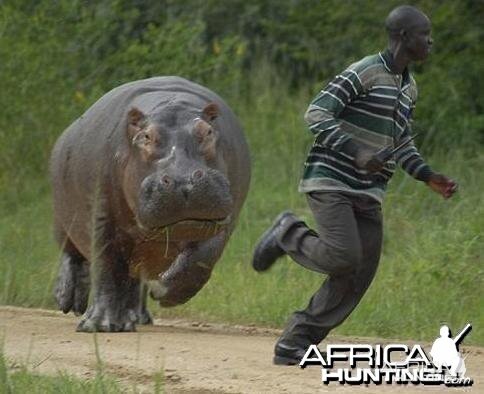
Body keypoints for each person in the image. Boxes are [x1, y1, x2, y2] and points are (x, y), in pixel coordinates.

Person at [252, 5, 458, 365]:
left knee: (359, 271)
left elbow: (400, 142)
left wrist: (427, 176)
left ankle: (294, 342)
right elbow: (316, 112)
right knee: (344, 256)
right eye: (425, 34)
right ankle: (288, 232)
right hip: (332, 179)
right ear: (404, 37)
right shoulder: (364, 72)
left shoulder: (409, 87)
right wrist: (356, 151)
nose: (431, 41)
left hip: (369, 191)